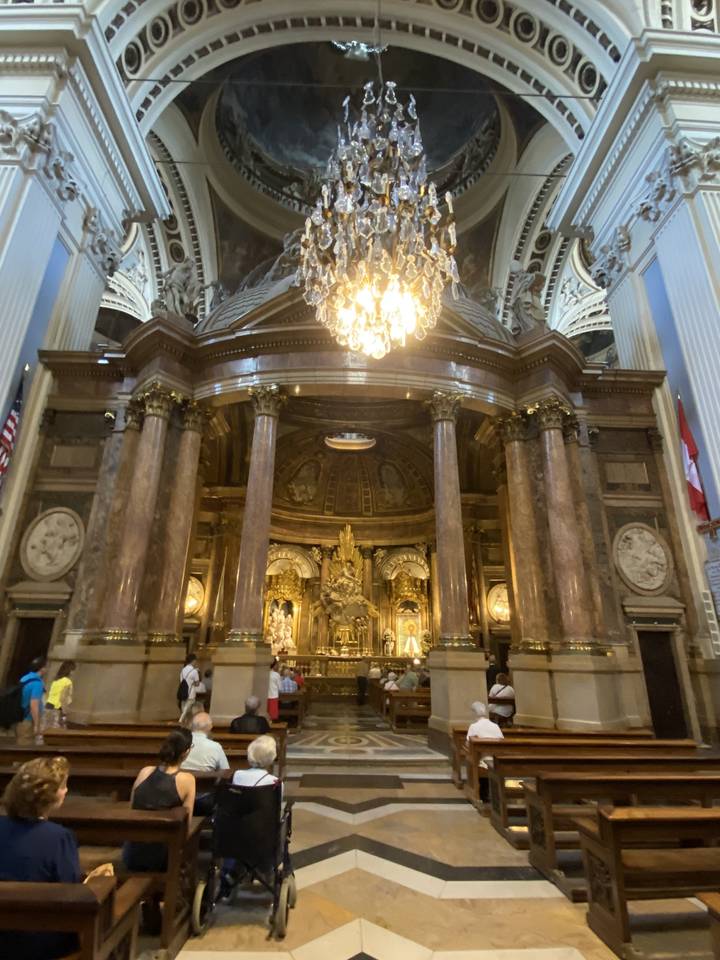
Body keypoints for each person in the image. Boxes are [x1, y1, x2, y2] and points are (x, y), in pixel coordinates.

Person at [0, 757, 113, 959]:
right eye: (63, 786)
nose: (66, 791)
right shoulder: (59, 837)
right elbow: (70, 891)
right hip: (41, 938)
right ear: (48, 796)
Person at [123, 730, 195, 875]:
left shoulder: (145, 772)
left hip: (133, 853)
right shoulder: (187, 780)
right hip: (163, 857)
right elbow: (185, 826)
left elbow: (132, 808)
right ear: (186, 752)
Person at [17, 656, 47, 745]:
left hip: (20, 716)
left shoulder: (24, 678)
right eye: (45, 667)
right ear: (42, 668)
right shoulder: (37, 683)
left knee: (20, 742)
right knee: (25, 747)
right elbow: (34, 704)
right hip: (28, 719)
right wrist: (37, 724)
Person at [44, 661, 76, 729]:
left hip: (48, 706)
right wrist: (64, 713)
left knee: (47, 729)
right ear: (70, 671)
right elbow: (63, 697)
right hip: (58, 708)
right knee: (57, 730)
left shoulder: (56, 680)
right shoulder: (67, 682)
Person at [178, 653, 201, 724]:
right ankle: (181, 721)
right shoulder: (194, 671)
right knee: (187, 709)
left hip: (182, 691)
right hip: (190, 693)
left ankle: (187, 722)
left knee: (184, 708)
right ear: (193, 661)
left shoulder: (182, 670)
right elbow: (197, 683)